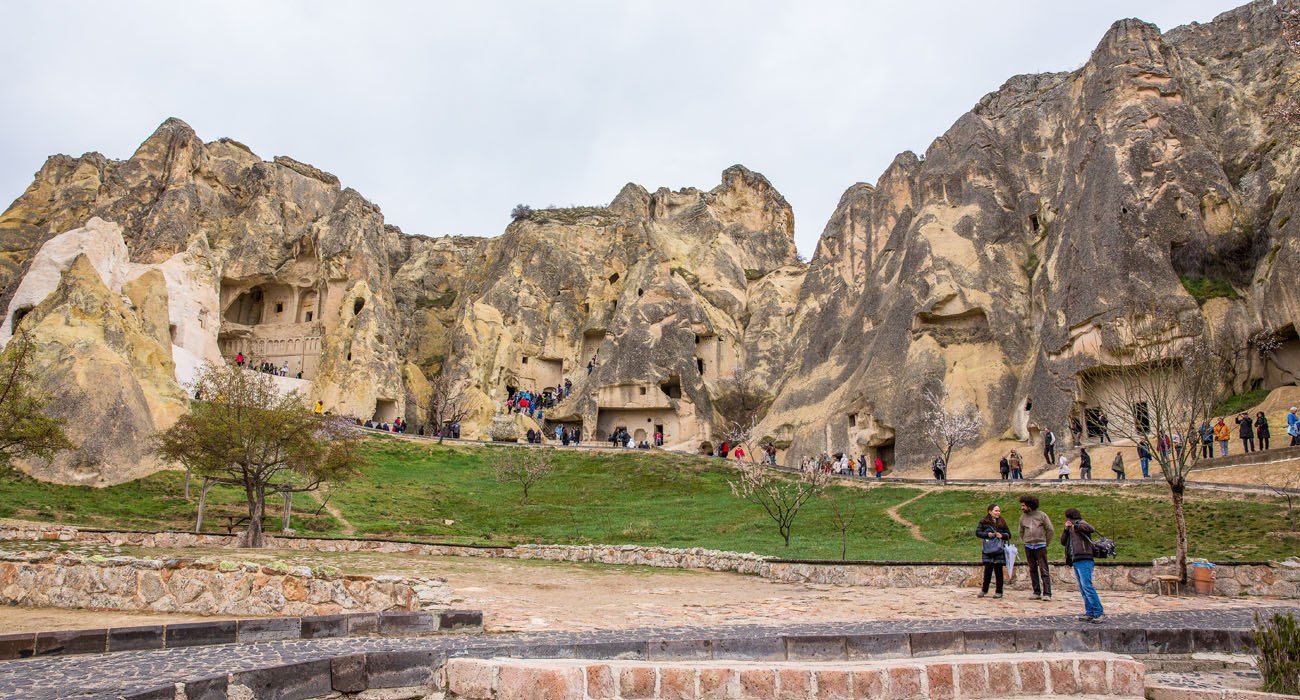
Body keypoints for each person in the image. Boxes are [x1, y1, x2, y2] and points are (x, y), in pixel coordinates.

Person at [1061, 508, 1104, 622]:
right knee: (1082, 588)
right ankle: (1090, 612)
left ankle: (1099, 612)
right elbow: (1063, 542)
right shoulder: (1070, 528)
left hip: (1085, 558)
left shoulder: (1081, 523)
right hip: (1076, 560)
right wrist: (1066, 530)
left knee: (1087, 586)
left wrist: (1076, 526)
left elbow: (1091, 529)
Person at [1018, 495, 1054, 601]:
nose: (1022, 508)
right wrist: (1025, 541)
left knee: (1044, 569)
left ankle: (1047, 593)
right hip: (1028, 546)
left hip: (1040, 546)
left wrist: (1046, 542)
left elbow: (1050, 529)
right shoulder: (1022, 517)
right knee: (1032, 569)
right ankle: (1036, 592)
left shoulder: (1042, 515)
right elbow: (1021, 531)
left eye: (1024, 505)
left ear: (1030, 505)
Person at [976, 504, 1011, 598]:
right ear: (990, 511)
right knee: (987, 570)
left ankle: (999, 591)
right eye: (996, 510)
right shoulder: (983, 522)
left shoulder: (1002, 522)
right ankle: (984, 590)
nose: (998, 513)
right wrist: (987, 534)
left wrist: (1002, 535)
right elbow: (978, 533)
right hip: (988, 549)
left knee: (998, 571)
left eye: (999, 511)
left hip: (999, 549)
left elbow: (1009, 534)